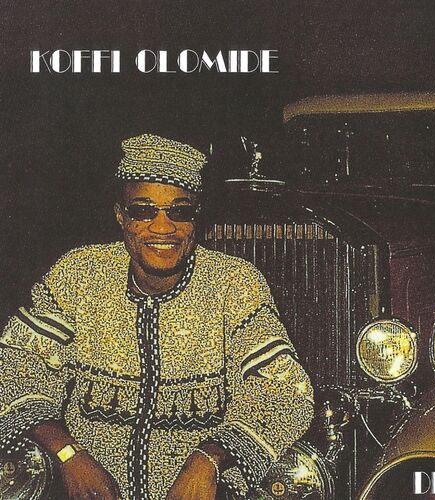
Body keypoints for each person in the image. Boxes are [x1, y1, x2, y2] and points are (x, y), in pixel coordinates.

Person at [0, 134, 314, 499]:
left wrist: (208, 459)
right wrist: (68, 454)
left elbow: (286, 392)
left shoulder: (234, 284)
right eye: (143, 210)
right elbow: (16, 368)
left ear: (196, 219)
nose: (163, 228)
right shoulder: (79, 274)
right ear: (121, 216)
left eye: (180, 211)